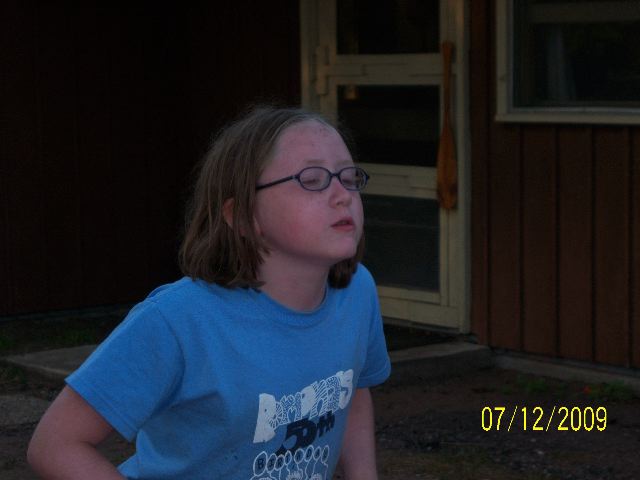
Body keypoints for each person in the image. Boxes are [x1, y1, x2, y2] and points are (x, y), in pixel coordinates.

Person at [27, 105, 391, 479]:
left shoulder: (357, 292)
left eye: (349, 177)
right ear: (243, 217)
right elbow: (55, 445)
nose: (343, 195)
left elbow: (352, 390)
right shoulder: (178, 321)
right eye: (312, 179)